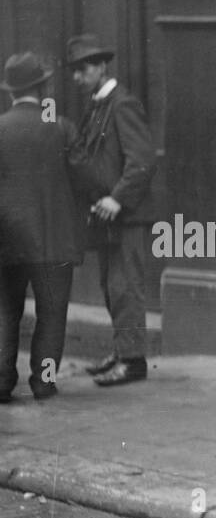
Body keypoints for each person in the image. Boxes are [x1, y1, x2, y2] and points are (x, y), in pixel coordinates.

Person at [66, 33, 157, 387]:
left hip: (125, 215)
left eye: (83, 69)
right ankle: (122, 351)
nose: (77, 77)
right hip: (107, 216)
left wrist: (117, 198)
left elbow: (143, 161)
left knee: (126, 287)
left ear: (102, 67)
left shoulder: (122, 105)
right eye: (74, 70)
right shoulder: (99, 104)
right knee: (111, 285)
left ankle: (133, 361)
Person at [0, 52, 83, 404]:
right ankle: (43, 382)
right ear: (43, 87)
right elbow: (83, 176)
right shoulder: (60, 125)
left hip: (6, 239)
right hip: (53, 240)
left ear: (10, 92)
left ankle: (1, 382)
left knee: (4, 312)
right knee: (51, 314)